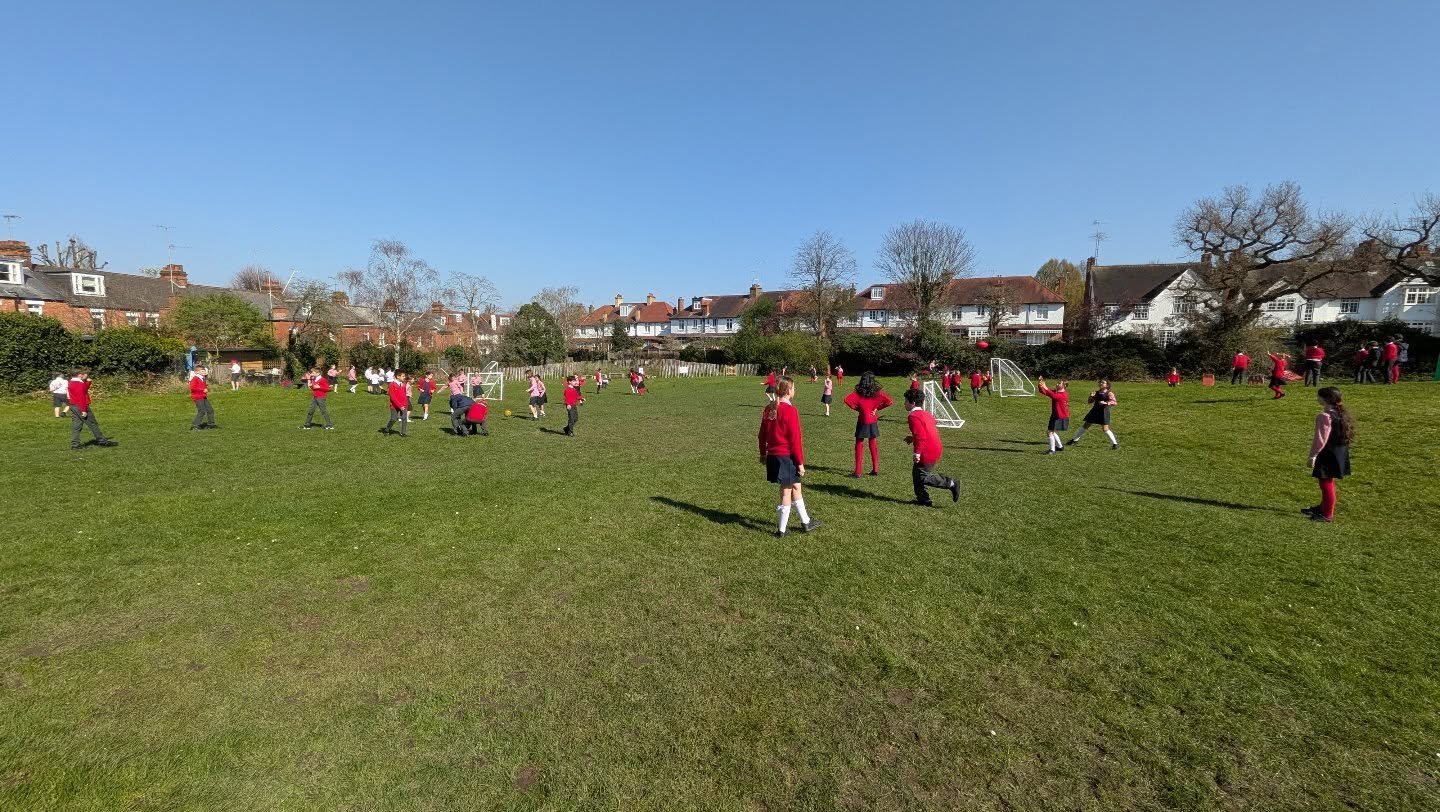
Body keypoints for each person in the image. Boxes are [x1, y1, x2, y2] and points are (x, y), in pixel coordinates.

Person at [758, 377, 819, 538]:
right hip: (786, 457)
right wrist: (800, 463)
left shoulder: (768, 408)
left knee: (796, 486)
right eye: (794, 388)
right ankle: (782, 530)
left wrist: (763, 453)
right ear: (788, 391)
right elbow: (795, 440)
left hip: (774, 456)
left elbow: (761, 435)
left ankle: (806, 522)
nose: (795, 390)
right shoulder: (790, 411)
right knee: (786, 492)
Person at [903, 387, 960, 507]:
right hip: (935, 446)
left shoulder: (913, 417)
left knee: (923, 476)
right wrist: (912, 438)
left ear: (912, 403)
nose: (904, 404)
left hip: (927, 450)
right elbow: (927, 430)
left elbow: (921, 436)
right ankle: (924, 500)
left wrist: (917, 453)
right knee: (917, 474)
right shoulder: (926, 414)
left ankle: (951, 483)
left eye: (906, 401)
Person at [1304, 386, 1354, 523]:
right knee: (1328, 481)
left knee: (1326, 482)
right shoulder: (1340, 414)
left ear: (1326, 399)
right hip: (1339, 452)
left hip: (1328, 453)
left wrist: (1313, 455)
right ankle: (1322, 507)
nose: (1317, 399)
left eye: (1319, 397)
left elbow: (1321, 439)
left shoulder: (1324, 416)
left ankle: (1327, 514)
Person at [842, 371, 893, 477]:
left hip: (862, 420)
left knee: (859, 444)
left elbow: (847, 400)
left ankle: (858, 472)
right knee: (873, 444)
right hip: (873, 420)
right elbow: (889, 401)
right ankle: (875, 469)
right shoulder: (877, 392)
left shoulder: (858, 392)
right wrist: (876, 408)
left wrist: (858, 409)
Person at [67, 370, 117, 450]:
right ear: (79, 375)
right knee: (93, 424)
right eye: (84, 374)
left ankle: (75, 445)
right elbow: (81, 397)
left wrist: (87, 383)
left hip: (73, 406)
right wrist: (84, 410)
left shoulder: (71, 382)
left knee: (76, 426)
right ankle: (102, 441)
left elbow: (83, 391)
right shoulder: (79, 383)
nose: (86, 376)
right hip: (81, 406)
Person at [1068, 380, 1118, 449]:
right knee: (1085, 425)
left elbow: (1114, 402)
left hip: (1104, 412)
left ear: (1107, 385)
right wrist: (1091, 396)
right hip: (1094, 411)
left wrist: (1106, 403)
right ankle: (1074, 440)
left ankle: (1114, 444)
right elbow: (1090, 402)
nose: (1100, 383)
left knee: (1105, 429)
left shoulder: (1109, 393)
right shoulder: (1096, 392)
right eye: (1100, 382)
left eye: (1103, 383)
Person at [1036, 375, 1069, 454]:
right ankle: (1060, 447)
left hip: (1059, 416)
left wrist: (1046, 387)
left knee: (1050, 432)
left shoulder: (1063, 394)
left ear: (1064, 385)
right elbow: (1044, 392)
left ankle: (1052, 450)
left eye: (1059, 383)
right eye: (1057, 383)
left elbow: (1054, 396)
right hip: (1055, 415)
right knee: (1052, 431)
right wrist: (1040, 385)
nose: (1057, 384)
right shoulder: (1056, 392)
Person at [189, 365, 218, 430]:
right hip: (198, 397)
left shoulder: (202, 378)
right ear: (196, 372)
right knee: (202, 411)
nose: (204, 372)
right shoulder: (195, 378)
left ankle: (211, 424)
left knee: (210, 410)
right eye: (202, 371)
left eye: (204, 370)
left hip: (203, 397)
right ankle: (195, 425)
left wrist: (205, 389)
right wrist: (202, 390)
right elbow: (192, 388)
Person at [382, 372, 411, 436]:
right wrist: (400, 406)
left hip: (403, 405)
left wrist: (406, 403)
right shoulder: (392, 385)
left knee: (404, 418)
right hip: (394, 405)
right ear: (398, 376)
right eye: (403, 376)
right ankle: (387, 430)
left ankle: (403, 433)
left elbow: (404, 395)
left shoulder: (403, 384)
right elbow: (392, 397)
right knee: (394, 419)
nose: (404, 377)